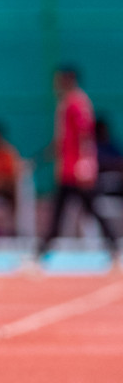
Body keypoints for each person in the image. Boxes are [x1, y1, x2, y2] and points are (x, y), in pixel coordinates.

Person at [35, 66, 118, 264]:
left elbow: (84, 135)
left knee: (86, 209)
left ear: (68, 80)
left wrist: (85, 162)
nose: (56, 85)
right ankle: (44, 248)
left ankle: (113, 244)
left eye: (59, 81)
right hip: (67, 170)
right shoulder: (66, 104)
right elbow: (63, 139)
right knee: (62, 210)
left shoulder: (77, 103)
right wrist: (44, 157)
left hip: (77, 170)